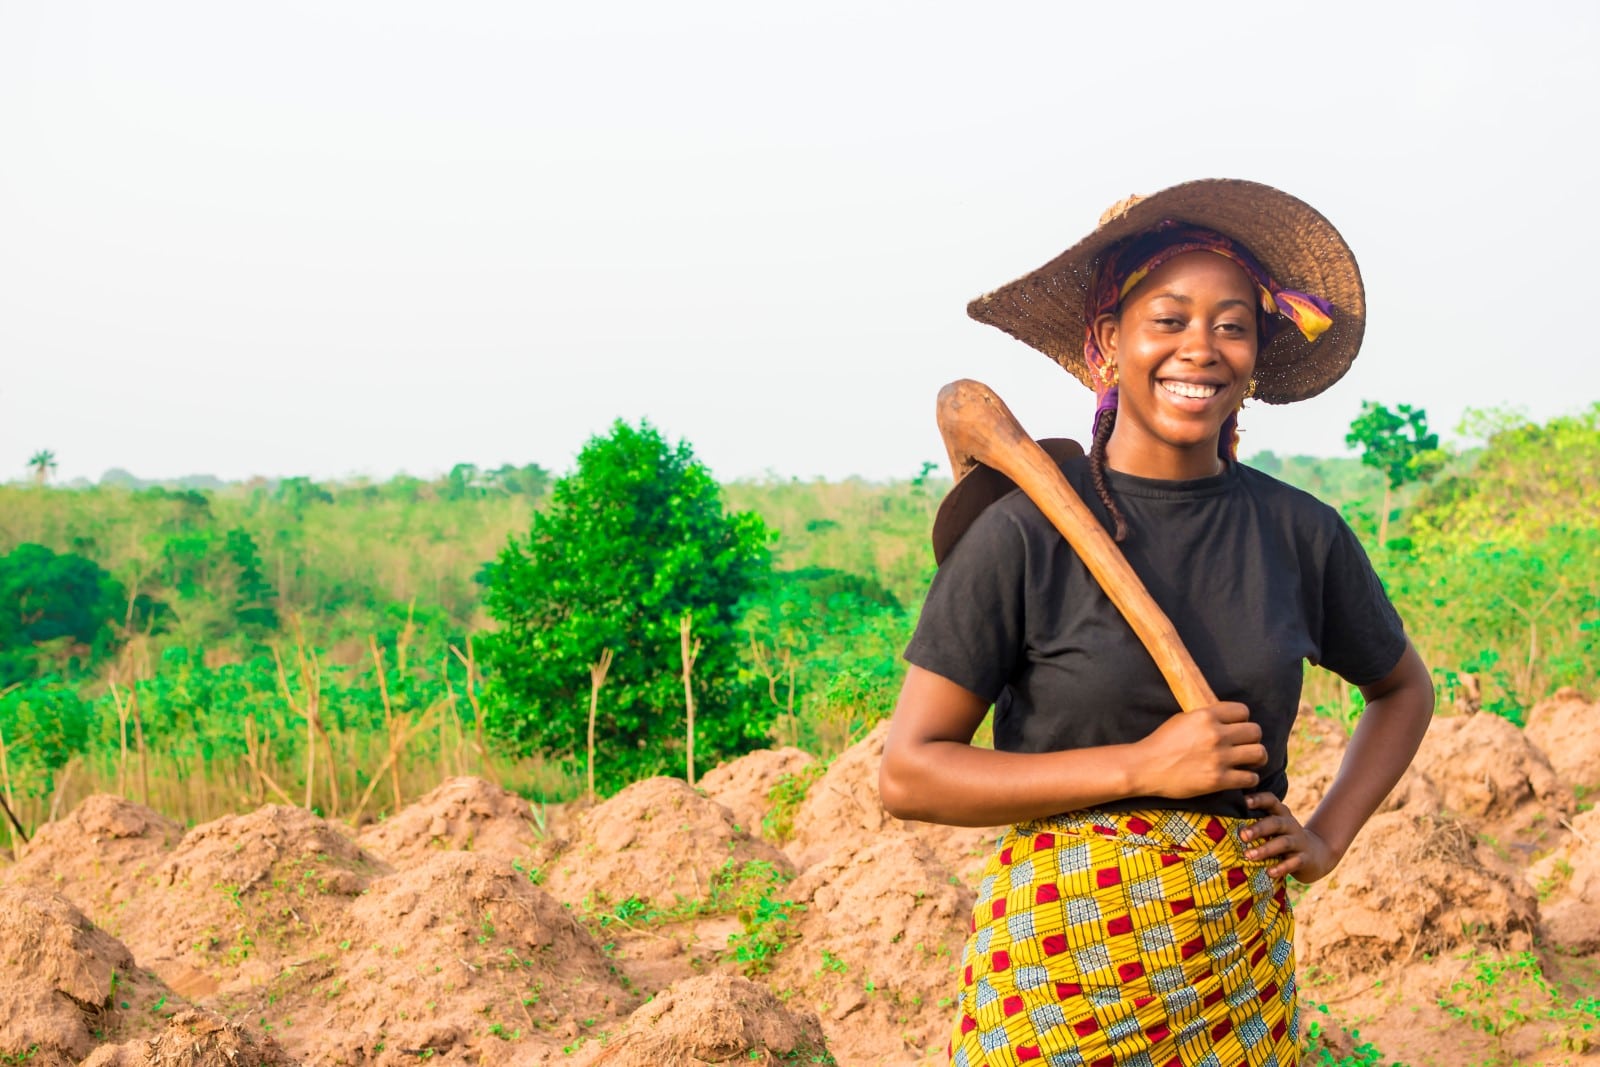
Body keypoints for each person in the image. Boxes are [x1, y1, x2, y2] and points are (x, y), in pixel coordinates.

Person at [879, 179, 1434, 1067]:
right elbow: (910, 773)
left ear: (1255, 353)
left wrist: (1326, 837)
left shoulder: (1300, 532)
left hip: (1234, 979)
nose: (1201, 348)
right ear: (1107, 344)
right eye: (1168, 319)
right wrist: (1144, 764)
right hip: (1059, 977)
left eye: (1231, 324)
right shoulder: (1024, 533)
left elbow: (1402, 687)